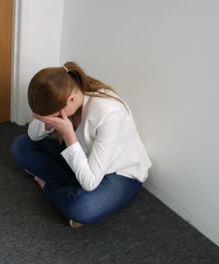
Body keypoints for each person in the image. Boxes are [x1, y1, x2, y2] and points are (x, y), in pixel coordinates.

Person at [11, 62, 152, 228]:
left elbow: (90, 182)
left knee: (83, 208)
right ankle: (70, 188)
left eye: (52, 114)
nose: (49, 117)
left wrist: (69, 134)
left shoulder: (110, 113)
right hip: (82, 158)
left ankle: (47, 184)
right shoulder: (66, 95)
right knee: (21, 146)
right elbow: (33, 136)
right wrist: (47, 121)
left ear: (70, 99)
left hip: (119, 173)